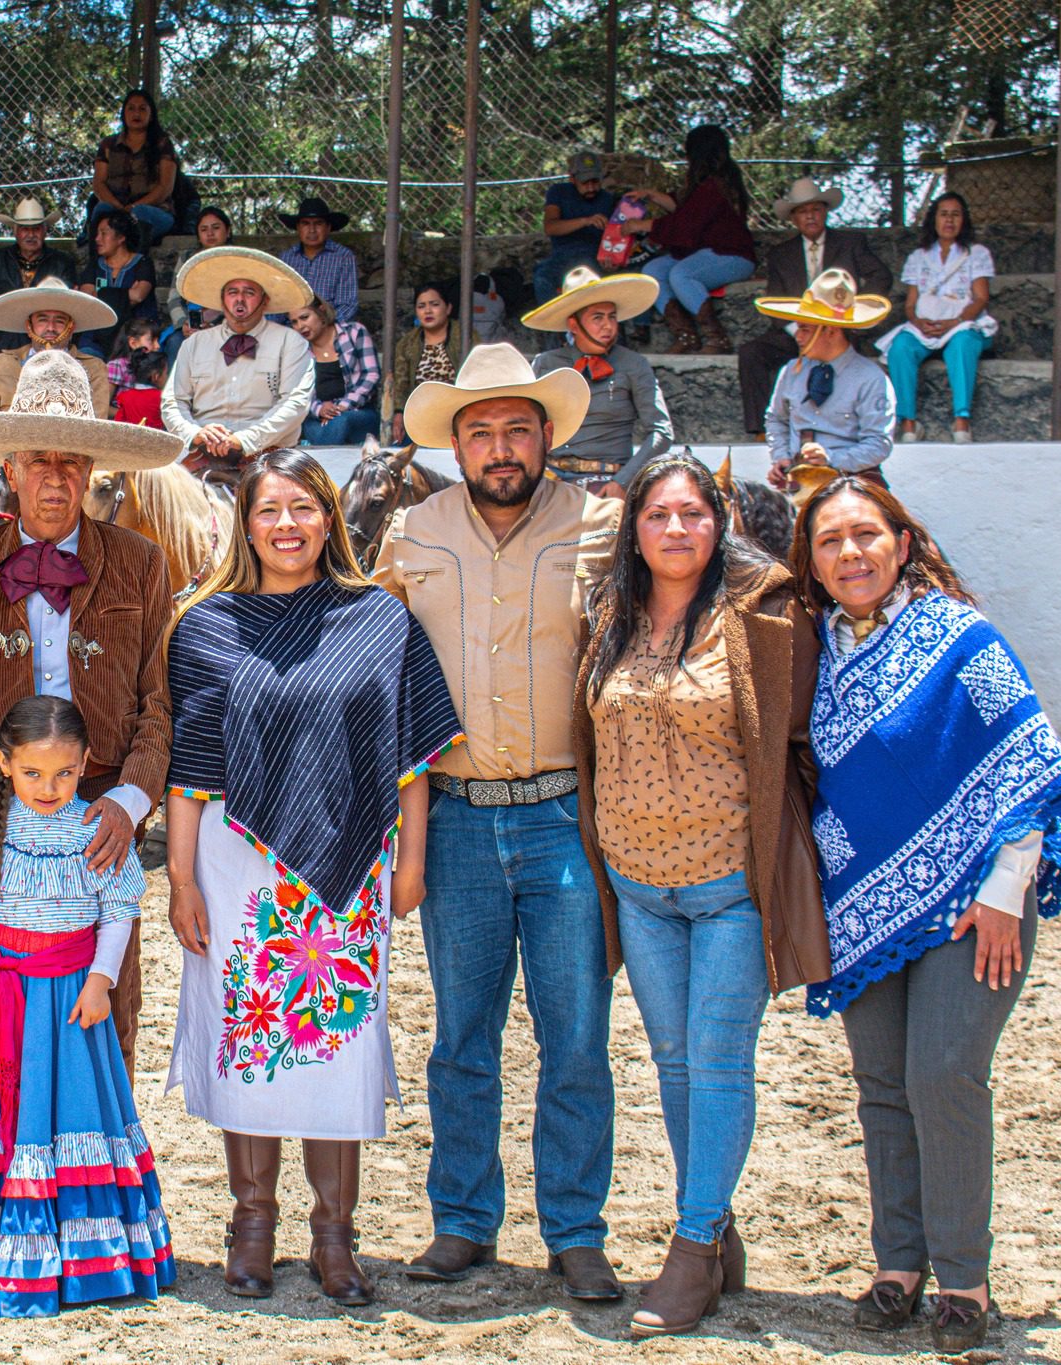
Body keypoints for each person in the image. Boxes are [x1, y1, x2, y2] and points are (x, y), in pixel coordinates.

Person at [791, 479, 1061, 1353]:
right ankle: (899, 1265)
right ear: (811, 563)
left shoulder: (962, 634)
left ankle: (963, 1278)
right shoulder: (817, 651)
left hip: (976, 901)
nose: (850, 554)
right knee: (882, 1087)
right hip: (866, 903)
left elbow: (1026, 759)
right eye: (829, 542)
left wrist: (1007, 888)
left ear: (901, 540)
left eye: (865, 535)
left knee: (944, 1077)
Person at [165, 449, 462, 1306]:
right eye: (269, 510)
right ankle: (251, 1224)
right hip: (235, 868)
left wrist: (410, 859)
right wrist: (181, 878)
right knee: (251, 1044)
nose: (286, 525)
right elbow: (191, 766)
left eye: (303, 507)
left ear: (330, 517)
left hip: (349, 870)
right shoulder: (206, 625)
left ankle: (336, 1237)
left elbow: (411, 758)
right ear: (244, 524)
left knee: (339, 1049)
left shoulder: (381, 620)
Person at [374, 343, 625, 1301]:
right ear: (456, 444)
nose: (501, 446)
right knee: (463, 1035)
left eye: (518, 427)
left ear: (548, 434)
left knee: (575, 1036)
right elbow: (376, 671)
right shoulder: (412, 535)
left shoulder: (602, 529)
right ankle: (464, 1220)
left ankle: (575, 1228)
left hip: (565, 815)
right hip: (460, 816)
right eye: (480, 431)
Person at [571, 455, 831, 1336]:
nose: (676, 530)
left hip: (730, 885)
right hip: (637, 885)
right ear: (633, 528)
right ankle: (715, 1227)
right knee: (675, 1062)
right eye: (658, 515)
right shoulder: (608, 615)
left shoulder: (761, 618)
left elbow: (799, 741)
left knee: (718, 1059)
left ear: (719, 524)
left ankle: (688, 1247)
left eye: (693, 514)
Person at [0, 348, 185, 1071]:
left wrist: (130, 802)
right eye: (39, 458)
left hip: (100, 812)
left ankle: (98, 1176)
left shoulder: (140, 562)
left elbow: (161, 703)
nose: (56, 476)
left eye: (73, 459)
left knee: (106, 1011)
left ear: (94, 469)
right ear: (8, 467)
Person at [0, 695, 175, 1316]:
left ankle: (85, 1255)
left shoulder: (98, 828)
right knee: (6, 1116)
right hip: (4, 1000)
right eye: (33, 772)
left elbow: (119, 911)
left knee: (74, 1114)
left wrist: (101, 982)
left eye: (65, 773)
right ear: (3, 763)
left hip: (72, 1000)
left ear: (86, 763)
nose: (49, 786)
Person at [738, 177, 894, 438]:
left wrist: (855, 314)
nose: (810, 216)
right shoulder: (781, 253)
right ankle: (762, 431)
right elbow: (775, 298)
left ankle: (840, 430)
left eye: (816, 210)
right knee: (751, 352)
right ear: (794, 218)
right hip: (795, 330)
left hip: (838, 331)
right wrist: (801, 332)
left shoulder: (850, 243)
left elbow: (882, 276)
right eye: (803, 211)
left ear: (825, 212)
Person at [160, 245, 315, 474]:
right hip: (202, 453)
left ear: (265, 301)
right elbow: (172, 402)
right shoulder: (194, 344)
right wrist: (195, 434)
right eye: (232, 292)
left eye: (249, 292)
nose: (240, 300)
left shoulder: (290, 342)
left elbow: (295, 404)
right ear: (222, 301)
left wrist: (246, 440)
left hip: (270, 455)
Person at [525, 266, 671, 494]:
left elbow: (662, 432)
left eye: (612, 317)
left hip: (610, 482)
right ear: (574, 325)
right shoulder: (546, 364)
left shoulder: (634, 364)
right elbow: (526, 424)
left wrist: (622, 482)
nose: (608, 325)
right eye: (597, 318)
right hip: (551, 480)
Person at [758, 269, 895, 490]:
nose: (797, 336)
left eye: (805, 329)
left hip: (852, 481)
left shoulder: (871, 378)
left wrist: (830, 458)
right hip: (798, 479)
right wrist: (781, 457)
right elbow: (776, 419)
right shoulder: (791, 371)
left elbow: (878, 444)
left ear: (830, 331)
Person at [877, 193, 996, 444]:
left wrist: (954, 323)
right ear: (934, 220)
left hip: (962, 324)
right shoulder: (919, 257)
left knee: (963, 344)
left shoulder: (976, 253)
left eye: (956, 214)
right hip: (926, 326)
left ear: (964, 220)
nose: (949, 220)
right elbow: (910, 304)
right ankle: (908, 423)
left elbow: (981, 298)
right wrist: (919, 322)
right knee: (900, 349)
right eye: (944, 214)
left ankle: (961, 421)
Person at [627, 125, 756, 355]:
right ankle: (685, 335)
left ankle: (716, 338)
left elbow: (684, 223)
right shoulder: (705, 185)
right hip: (706, 254)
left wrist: (640, 226)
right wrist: (651, 195)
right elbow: (684, 209)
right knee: (653, 271)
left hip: (732, 256)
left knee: (682, 274)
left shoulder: (715, 186)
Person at [0, 196, 80, 353]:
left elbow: (66, 298)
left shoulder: (62, 261)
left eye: (36, 229)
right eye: (25, 229)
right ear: (15, 232)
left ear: (45, 231)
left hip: (46, 331)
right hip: (7, 332)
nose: (31, 235)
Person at [0, 280, 116, 416]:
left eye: (59, 321)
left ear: (71, 327)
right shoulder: (3, 363)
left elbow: (96, 425)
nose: (51, 328)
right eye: (42, 320)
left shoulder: (93, 368)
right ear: (29, 326)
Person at [82, 90, 178, 249]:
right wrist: (119, 208)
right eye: (131, 108)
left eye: (142, 109)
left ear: (151, 114)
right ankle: (95, 267)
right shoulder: (108, 145)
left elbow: (165, 187)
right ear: (123, 114)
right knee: (101, 209)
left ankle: (139, 266)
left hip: (154, 210)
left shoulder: (162, 144)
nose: (136, 113)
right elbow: (99, 184)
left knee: (139, 215)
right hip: (115, 207)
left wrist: (133, 208)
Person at [288, 294, 381, 445]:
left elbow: (371, 375)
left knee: (340, 422)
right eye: (294, 322)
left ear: (321, 311)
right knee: (306, 427)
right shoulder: (298, 350)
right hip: (317, 416)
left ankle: (323, 467)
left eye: (304, 317)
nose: (300, 326)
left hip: (357, 412)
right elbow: (296, 392)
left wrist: (342, 407)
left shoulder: (354, 332)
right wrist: (319, 409)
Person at [535, 150, 620, 305]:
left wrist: (611, 260)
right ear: (572, 179)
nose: (591, 188)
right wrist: (585, 221)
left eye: (595, 182)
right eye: (585, 183)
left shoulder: (608, 199)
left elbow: (616, 238)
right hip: (562, 256)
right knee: (542, 278)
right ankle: (554, 328)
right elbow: (550, 227)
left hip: (592, 256)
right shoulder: (559, 192)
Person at [386, 280, 458, 446]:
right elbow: (401, 383)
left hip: (454, 411)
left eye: (434, 304)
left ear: (448, 308)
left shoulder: (463, 337)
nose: (428, 310)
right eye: (421, 306)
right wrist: (399, 413)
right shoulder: (407, 343)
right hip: (420, 414)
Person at [79, 208, 157, 360]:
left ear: (121, 237)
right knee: (87, 358)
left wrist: (101, 295)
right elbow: (87, 299)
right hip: (97, 334)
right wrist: (125, 296)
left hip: (134, 333)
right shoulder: (95, 265)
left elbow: (139, 296)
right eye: (97, 234)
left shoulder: (143, 263)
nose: (97, 239)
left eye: (104, 233)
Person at [161, 206, 233, 367]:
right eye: (204, 229)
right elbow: (174, 296)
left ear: (228, 231)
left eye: (216, 228)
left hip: (227, 323)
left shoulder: (237, 259)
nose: (210, 233)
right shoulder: (188, 258)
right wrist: (183, 323)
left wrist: (213, 324)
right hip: (191, 322)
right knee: (175, 342)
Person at [275, 196, 359, 324]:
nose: (312, 230)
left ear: (328, 227)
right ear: (298, 227)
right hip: (292, 329)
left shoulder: (343, 257)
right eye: (305, 223)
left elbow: (348, 305)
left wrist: (323, 326)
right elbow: (279, 301)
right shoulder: (286, 258)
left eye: (318, 223)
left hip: (329, 328)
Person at [106, 315, 161, 392]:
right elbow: (103, 402)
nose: (158, 346)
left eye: (158, 341)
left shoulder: (154, 368)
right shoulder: (117, 366)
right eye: (151, 340)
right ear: (133, 343)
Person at [114, 350, 167, 428]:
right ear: (156, 376)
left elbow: (118, 423)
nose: (167, 376)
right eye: (166, 373)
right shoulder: (161, 397)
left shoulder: (125, 396)